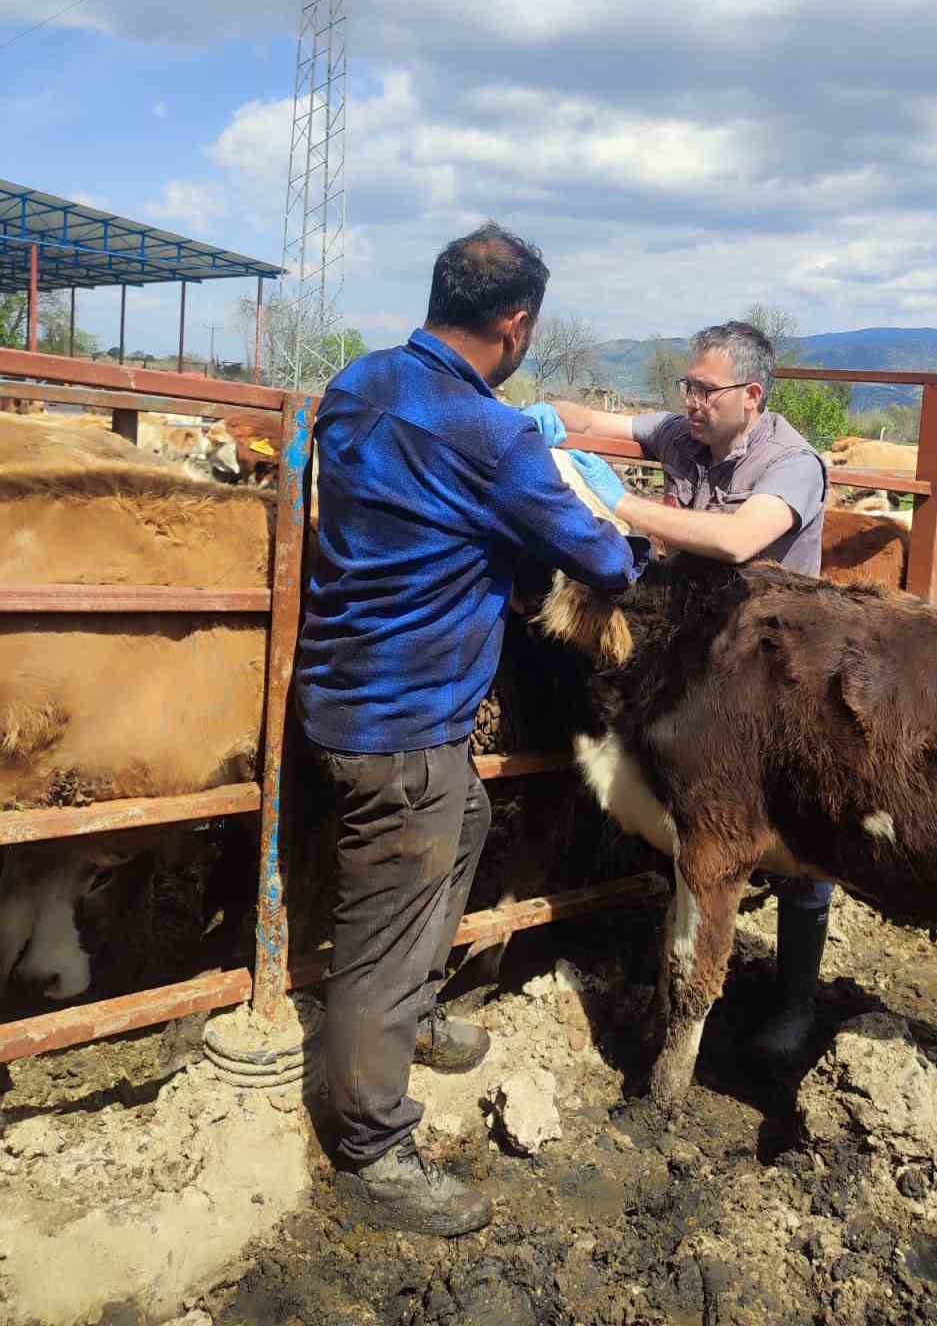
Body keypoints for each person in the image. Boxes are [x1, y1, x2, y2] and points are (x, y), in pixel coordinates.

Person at [296, 224, 649, 1236]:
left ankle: (413, 1007)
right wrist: (605, 512)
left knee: (471, 821)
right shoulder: (492, 433)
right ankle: (372, 1146)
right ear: (517, 322)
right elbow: (605, 563)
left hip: (348, 689)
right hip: (401, 719)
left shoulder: (359, 381)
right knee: (384, 928)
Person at [541, 319, 830, 1069]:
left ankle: (797, 1000)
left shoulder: (792, 464)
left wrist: (621, 504)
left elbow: (740, 540)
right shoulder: (682, 433)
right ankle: (663, 948)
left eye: (705, 390)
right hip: (694, 653)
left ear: (752, 395)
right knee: (681, 802)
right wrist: (536, 417)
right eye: (686, 386)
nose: (690, 402)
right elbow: (598, 421)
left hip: (779, 665)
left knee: (799, 825)